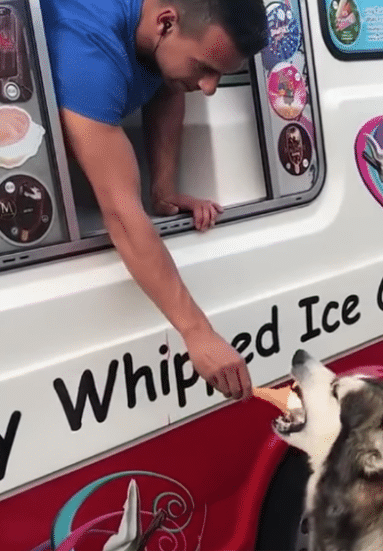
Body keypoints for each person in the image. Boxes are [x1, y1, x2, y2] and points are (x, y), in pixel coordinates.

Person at [41, 0, 268, 400]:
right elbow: (121, 216)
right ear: (166, 21)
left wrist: (162, 191)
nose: (210, 87)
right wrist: (198, 332)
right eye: (204, 67)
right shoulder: (87, 52)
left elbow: (167, 84)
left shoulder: (159, 35)